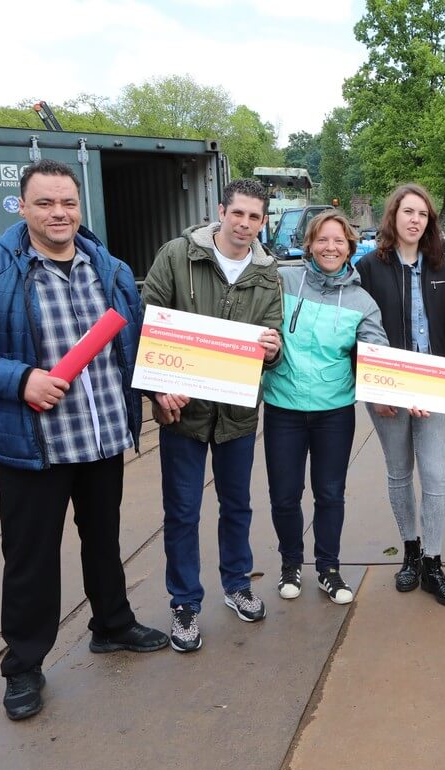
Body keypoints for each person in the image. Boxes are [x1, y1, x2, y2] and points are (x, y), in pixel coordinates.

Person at [0, 159, 167, 721]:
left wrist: (159, 389)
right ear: (22, 206)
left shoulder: (108, 267)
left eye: (67, 203)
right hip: (33, 443)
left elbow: (131, 347)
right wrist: (21, 379)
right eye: (45, 203)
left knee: (104, 540)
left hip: (103, 433)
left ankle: (112, 624)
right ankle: (24, 666)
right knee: (30, 559)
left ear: (79, 207)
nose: (58, 213)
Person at [142, 179, 284, 653]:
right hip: (182, 411)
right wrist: (158, 389)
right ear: (220, 211)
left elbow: (274, 338)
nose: (245, 224)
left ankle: (236, 583)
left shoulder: (268, 273)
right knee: (182, 511)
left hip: (237, 413)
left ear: (263, 222)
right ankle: (185, 602)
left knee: (237, 505)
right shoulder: (177, 256)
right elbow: (150, 324)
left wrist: (272, 350)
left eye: (255, 217)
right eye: (238, 213)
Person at [263, 210, 387, 607]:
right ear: (309, 245)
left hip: (334, 411)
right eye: (322, 240)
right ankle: (290, 563)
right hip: (284, 406)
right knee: (284, 495)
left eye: (339, 241)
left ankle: (329, 569)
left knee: (330, 493)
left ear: (350, 246)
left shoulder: (361, 300)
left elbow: (377, 352)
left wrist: (401, 388)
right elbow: (259, 328)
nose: (330, 247)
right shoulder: (282, 281)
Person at [356, 184, 445, 607]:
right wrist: (373, 387)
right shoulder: (370, 266)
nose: (415, 220)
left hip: (436, 385)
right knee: (399, 471)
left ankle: (433, 564)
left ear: (430, 223)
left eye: (423, 214)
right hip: (388, 387)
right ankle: (409, 550)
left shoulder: (444, 266)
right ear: (393, 216)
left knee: (437, 477)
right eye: (408, 212)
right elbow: (358, 331)